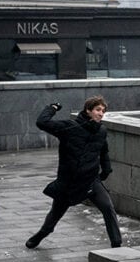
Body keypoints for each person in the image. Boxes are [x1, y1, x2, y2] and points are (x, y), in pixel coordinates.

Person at [26, 96, 122, 249]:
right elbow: (42, 123)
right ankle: (41, 235)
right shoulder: (70, 127)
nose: (101, 114)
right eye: (98, 110)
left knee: (108, 208)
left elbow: (103, 151)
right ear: (88, 110)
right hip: (69, 182)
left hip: (91, 180)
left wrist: (106, 170)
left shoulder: (101, 130)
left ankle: (117, 245)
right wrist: (52, 108)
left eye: (103, 111)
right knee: (54, 216)